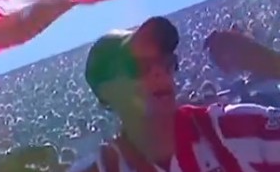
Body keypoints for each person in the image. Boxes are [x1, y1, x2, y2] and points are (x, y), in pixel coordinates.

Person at [70, 16, 280, 171]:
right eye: (139, 66)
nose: (159, 71)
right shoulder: (101, 168)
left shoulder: (230, 129)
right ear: (106, 92)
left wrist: (271, 63)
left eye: (167, 63)